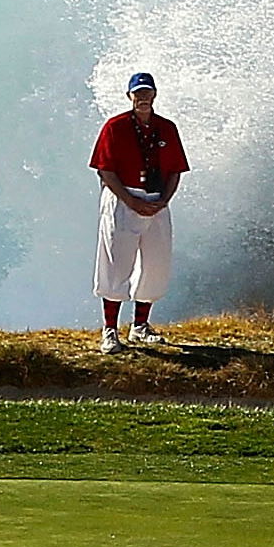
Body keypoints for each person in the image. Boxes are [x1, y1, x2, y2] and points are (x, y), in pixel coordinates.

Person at [89, 71, 188, 351]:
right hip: (123, 199)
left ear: (155, 95)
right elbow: (105, 170)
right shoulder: (115, 127)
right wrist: (131, 202)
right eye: (138, 93)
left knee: (156, 264)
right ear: (129, 95)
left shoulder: (166, 128)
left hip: (156, 201)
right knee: (115, 262)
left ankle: (140, 326)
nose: (143, 98)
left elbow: (176, 170)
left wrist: (164, 201)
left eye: (147, 93)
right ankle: (109, 331)